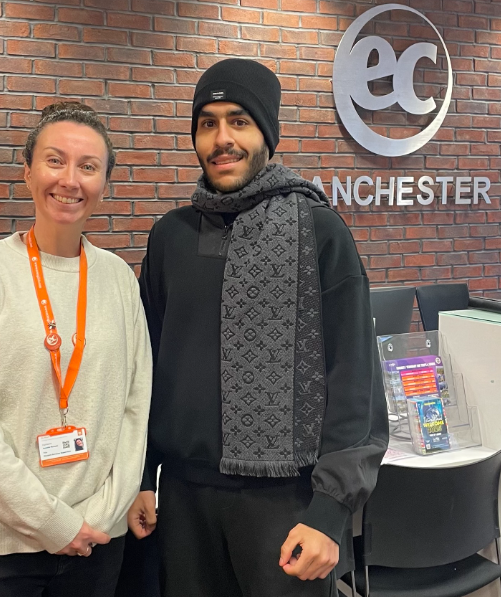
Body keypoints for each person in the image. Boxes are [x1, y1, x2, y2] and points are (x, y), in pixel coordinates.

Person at [128, 59, 388, 597]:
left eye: (239, 121)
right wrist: (142, 476)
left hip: (288, 506)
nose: (222, 138)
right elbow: (144, 366)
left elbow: (354, 383)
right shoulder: (170, 237)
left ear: (267, 132)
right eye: (207, 123)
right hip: (184, 501)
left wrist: (330, 511)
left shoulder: (320, 231)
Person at [0, 102, 152, 597]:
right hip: (10, 544)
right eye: (54, 160)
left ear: (104, 182)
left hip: (98, 541)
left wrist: (103, 515)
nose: (70, 180)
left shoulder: (118, 278)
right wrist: (53, 524)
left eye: (88, 167)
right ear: (27, 170)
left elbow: (136, 405)